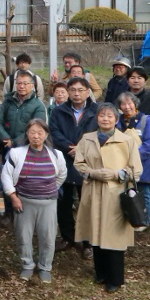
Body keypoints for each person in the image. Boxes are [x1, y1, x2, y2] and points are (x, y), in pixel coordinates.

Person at [74, 103, 142, 293]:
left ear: (116, 120)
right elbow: (79, 163)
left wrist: (115, 175)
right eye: (102, 115)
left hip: (116, 194)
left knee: (114, 235)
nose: (105, 119)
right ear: (97, 118)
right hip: (93, 191)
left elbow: (136, 170)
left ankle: (116, 278)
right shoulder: (87, 139)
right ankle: (100, 273)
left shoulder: (127, 141)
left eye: (109, 116)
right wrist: (94, 173)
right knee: (95, 230)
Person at [2, 118, 67, 283]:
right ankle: (27, 265)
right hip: (24, 201)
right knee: (23, 236)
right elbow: (6, 176)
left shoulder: (56, 154)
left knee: (48, 237)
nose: (36, 136)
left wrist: (50, 189)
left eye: (40, 133)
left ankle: (45, 267)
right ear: (27, 134)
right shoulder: (16, 154)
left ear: (46, 135)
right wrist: (13, 196)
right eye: (32, 132)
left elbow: (61, 175)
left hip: (49, 202)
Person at [49, 77, 98, 255]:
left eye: (80, 90)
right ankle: (68, 236)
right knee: (64, 203)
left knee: (86, 203)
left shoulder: (96, 110)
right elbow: (54, 131)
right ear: (68, 92)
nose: (77, 94)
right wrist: (70, 148)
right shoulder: (58, 111)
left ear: (87, 91)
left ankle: (88, 241)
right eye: (73, 90)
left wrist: (82, 149)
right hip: (65, 161)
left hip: (87, 163)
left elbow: (100, 133)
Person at [117, 92, 150, 228]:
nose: (127, 107)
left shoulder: (146, 119)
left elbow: (149, 143)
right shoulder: (117, 120)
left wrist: (133, 157)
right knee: (125, 191)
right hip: (121, 162)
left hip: (143, 162)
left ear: (135, 104)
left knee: (144, 191)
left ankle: (144, 220)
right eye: (123, 104)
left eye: (129, 103)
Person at [0, 70, 48, 151]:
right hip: (6, 145)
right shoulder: (7, 101)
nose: (21, 86)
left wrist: (14, 142)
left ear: (32, 86)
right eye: (19, 83)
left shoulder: (38, 105)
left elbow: (36, 128)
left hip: (27, 147)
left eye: (25, 84)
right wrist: (6, 139)